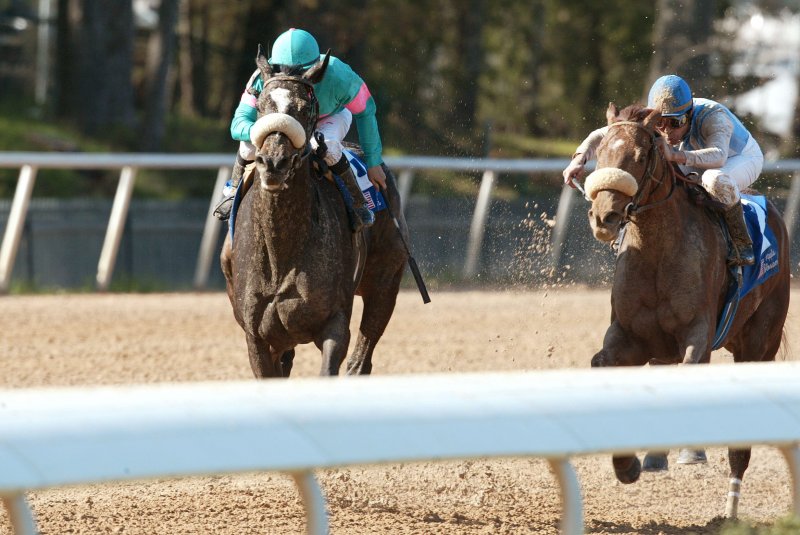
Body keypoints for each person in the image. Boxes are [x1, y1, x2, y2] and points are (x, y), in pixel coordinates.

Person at [563, 74, 760, 266]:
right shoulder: (649, 117)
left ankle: (741, 242)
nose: (667, 131)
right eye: (659, 122)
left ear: (691, 113)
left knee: (714, 179)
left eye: (676, 122)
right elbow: (604, 134)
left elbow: (719, 156)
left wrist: (674, 155)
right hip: (693, 153)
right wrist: (579, 159)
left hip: (740, 157)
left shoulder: (714, 116)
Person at [214, 28, 386, 233]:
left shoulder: (340, 76)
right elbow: (238, 124)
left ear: (317, 69)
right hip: (278, 122)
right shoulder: (260, 78)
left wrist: (373, 162)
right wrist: (266, 129)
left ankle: (358, 202)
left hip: (329, 117)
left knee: (326, 145)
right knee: (248, 147)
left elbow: (366, 111)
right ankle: (233, 190)